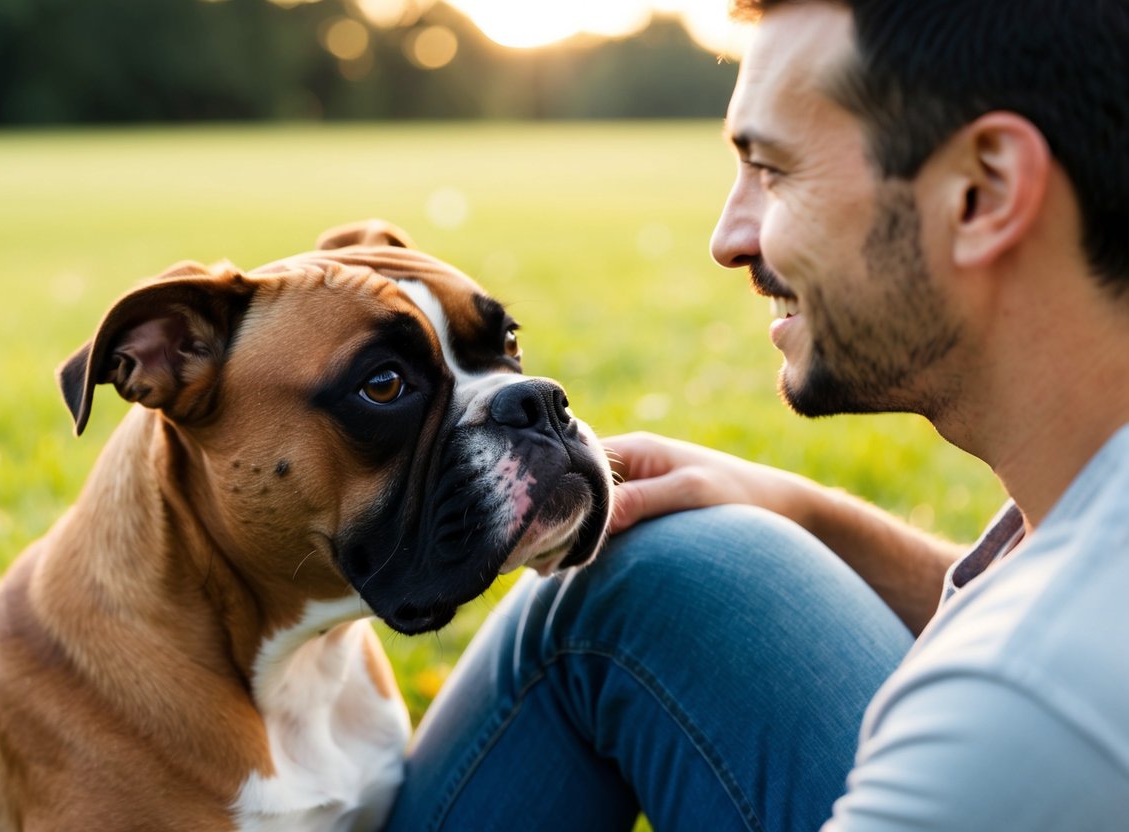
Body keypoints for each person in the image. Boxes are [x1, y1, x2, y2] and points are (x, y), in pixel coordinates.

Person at [384, 0, 1129, 829]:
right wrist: (800, 511)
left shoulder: (1017, 712)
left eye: (772, 170)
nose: (728, 237)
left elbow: (1037, 663)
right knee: (657, 572)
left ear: (981, 193)